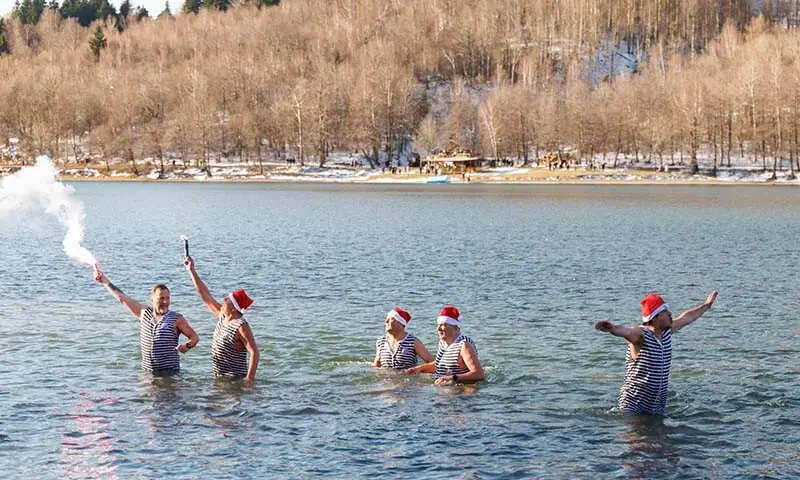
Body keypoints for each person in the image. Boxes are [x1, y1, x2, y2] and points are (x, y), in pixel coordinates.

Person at [595, 291, 718, 415]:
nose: (670, 314)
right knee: (637, 434)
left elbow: (687, 318)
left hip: (656, 404)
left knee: (659, 434)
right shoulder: (641, 336)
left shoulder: (666, 332)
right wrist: (612, 328)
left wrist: (706, 305)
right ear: (655, 318)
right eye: (665, 312)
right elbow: (627, 332)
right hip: (633, 404)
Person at [93, 264, 199, 374]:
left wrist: (187, 346)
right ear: (152, 299)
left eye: (167, 298)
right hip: (147, 373)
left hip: (169, 373)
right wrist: (104, 281)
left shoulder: (176, 318)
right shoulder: (144, 313)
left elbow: (194, 337)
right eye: (161, 298)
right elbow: (122, 298)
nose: (165, 302)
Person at [184, 256, 260, 382]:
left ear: (234, 309)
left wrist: (249, 379)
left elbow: (254, 352)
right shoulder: (223, 315)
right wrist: (191, 270)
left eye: (228, 300)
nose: (224, 300)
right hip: (220, 378)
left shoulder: (241, 326)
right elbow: (205, 295)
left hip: (235, 380)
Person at [406, 305, 484, 385]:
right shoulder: (443, 342)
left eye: (443, 325)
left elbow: (479, 374)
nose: (438, 329)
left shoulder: (464, 345)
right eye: (438, 325)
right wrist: (419, 369)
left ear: (456, 328)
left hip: (459, 391)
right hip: (443, 387)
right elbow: (439, 365)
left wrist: (452, 378)